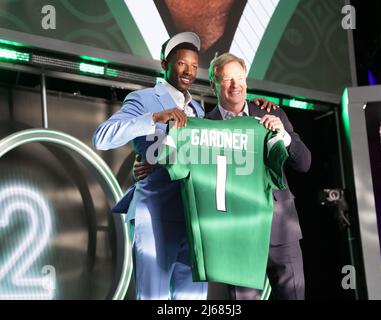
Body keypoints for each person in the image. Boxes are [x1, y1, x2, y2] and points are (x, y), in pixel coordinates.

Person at [93, 32, 274, 300]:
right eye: (181, 63)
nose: (188, 71)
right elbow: (102, 137)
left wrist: (258, 109)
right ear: (165, 64)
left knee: (192, 299)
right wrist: (154, 117)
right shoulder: (143, 99)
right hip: (155, 214)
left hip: (194, 219)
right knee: (153, 297)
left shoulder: (199, 112)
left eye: (193, 65)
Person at [206, 53, 311, 300]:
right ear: (213, 85)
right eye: (228, 79)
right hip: (236, 234)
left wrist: (283, 135)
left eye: (240, 78)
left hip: (282, 227)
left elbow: (304, 163)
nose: (236, 85)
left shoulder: (272, 114)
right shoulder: (204, 125)